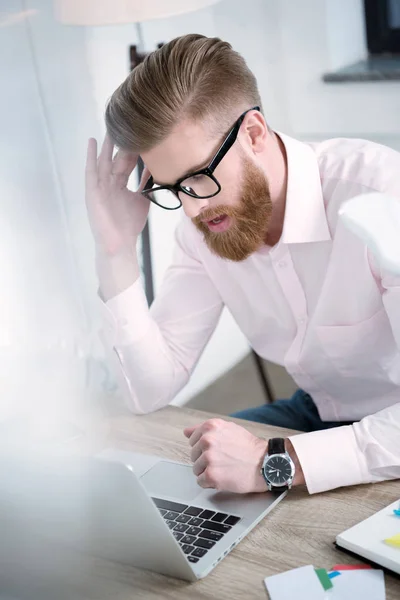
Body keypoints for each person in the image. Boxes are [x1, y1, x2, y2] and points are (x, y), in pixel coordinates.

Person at [85, 34, 400, 497]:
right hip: (316, 410)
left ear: (254, 134)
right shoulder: (204, 226)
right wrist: (113, 251)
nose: (192, 211)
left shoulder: (380, 194)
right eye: (174, 189)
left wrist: (273, 462)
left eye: (198, 177)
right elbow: (148, 390)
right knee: (163, 478)